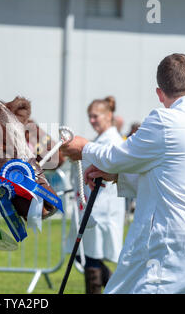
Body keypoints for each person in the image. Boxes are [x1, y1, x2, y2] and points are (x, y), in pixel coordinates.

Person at [61, 53, 185, 293]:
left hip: (170, 247)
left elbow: (116, 157)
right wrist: (117, 176)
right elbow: (175, 178)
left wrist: (83, 148)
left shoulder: (165, 121)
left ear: (159, 93)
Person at [71, 96, 125, 294]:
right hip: (92, 205)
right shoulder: (99, 141)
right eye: (89, 117)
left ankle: (116, 288)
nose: (92, 120)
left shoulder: (113, 141)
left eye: (96, 116)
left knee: (91, 256)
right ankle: (116, 288)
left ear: (108, 115)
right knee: (85, 255)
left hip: (102, 207)